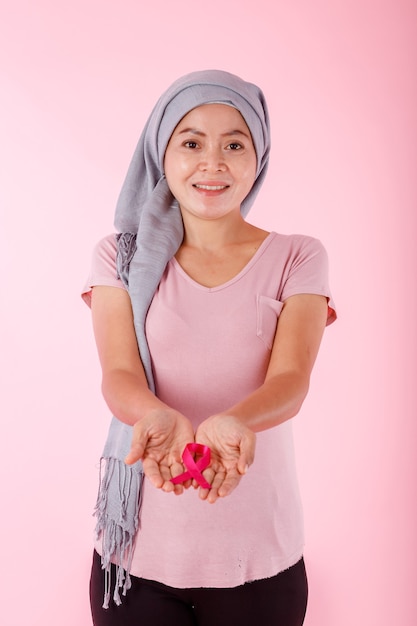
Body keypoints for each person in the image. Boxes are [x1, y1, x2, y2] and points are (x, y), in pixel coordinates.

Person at [82, 69, 336, 626]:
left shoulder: (298, 256)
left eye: (234, 144)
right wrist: (154, 413)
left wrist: (236, 422)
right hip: (135, 558)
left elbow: (291, 380)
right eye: (191, 142)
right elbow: (119, 371)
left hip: (259, 558)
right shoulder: (118, 258)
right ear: (161, 151)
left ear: (258, 156)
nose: (212, 162)